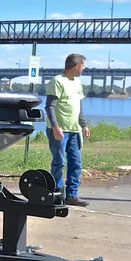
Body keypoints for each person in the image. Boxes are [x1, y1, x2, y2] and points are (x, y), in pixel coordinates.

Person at [45, 53, 91, 207]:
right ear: (77, 66)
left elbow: (79, 107)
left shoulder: (78, 83)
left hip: (74, 131)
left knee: (76, 162)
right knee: (59, 162)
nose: (84, 69)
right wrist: (55, 127)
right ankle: (57, 194)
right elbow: (49, 106)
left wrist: (84, 125)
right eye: (83, 66)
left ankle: (72, 195)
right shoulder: (57, 81)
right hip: (59, 131)